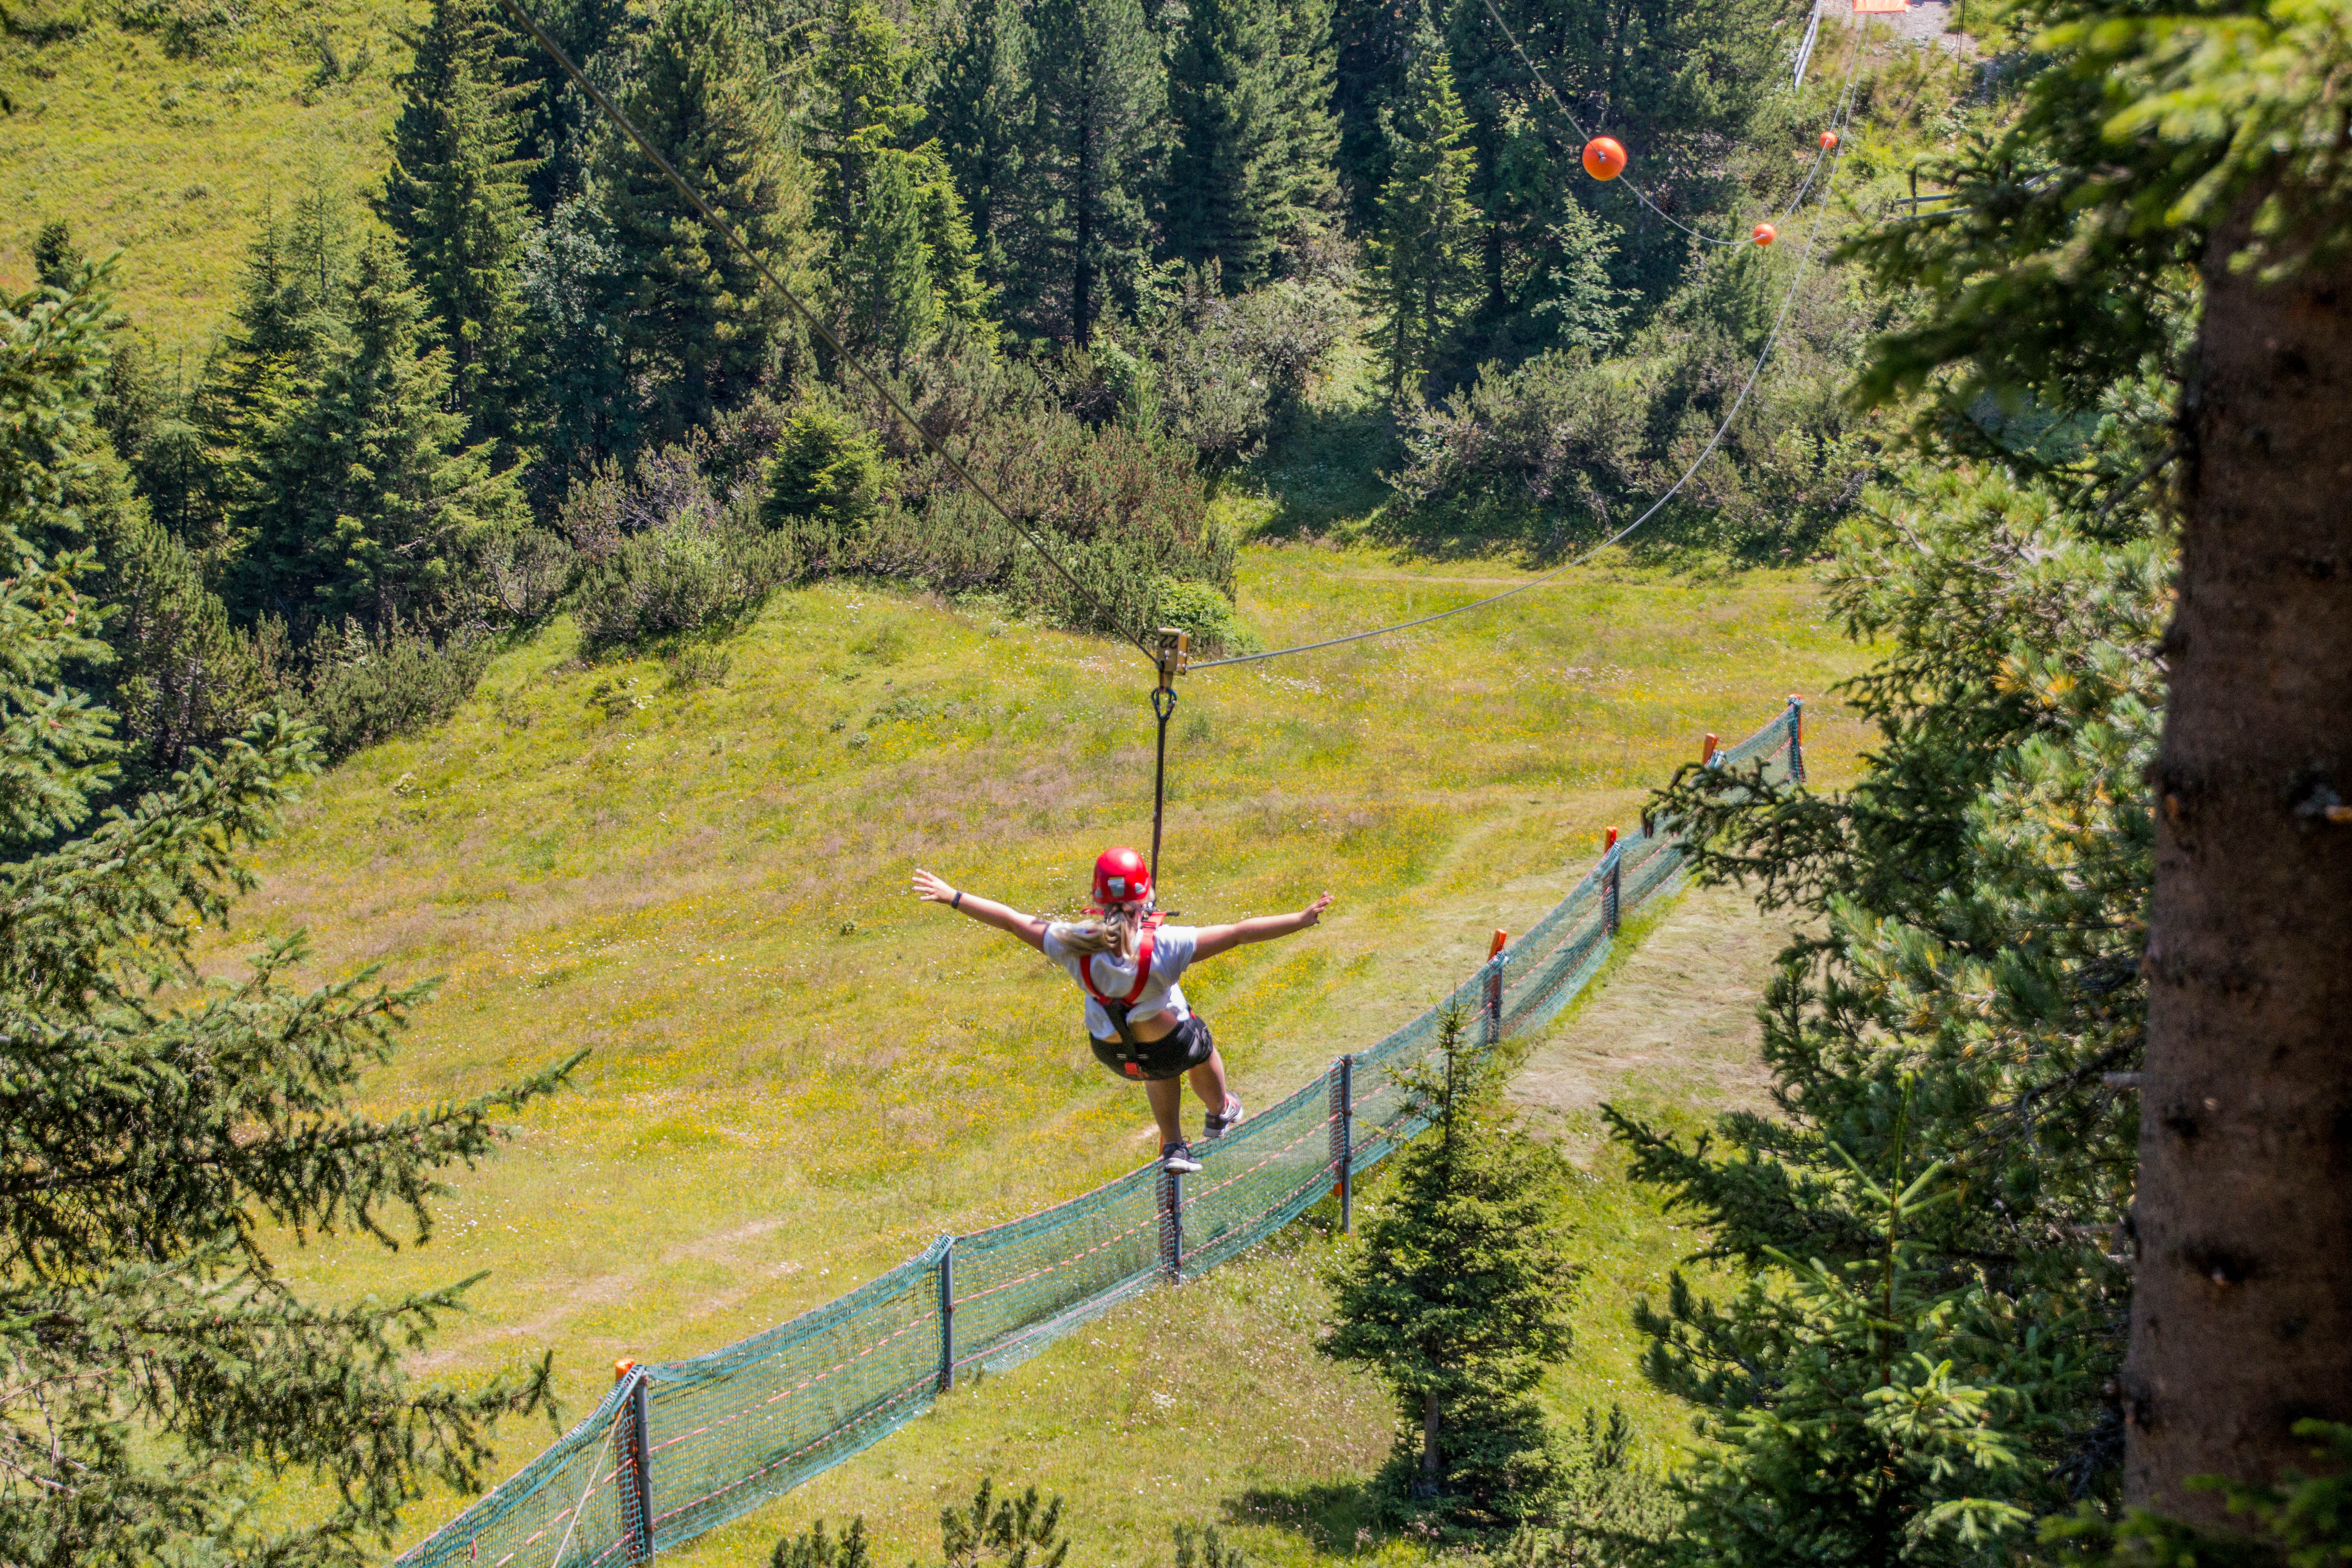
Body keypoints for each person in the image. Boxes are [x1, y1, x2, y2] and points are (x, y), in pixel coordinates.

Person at [912, 848, 1334, 1172]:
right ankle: (1221, 1109)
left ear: (1097, 896)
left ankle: (1173, 1145)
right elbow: (1240, 934)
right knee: (1196, 1041)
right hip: (1170, 1043)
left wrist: (954, 896)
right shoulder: (1166, 945)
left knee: (1158, 1063)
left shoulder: (1069, 940)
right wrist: (1300, 919)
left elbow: (1009, 919)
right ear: (1145, 894)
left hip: (1112, 1052)